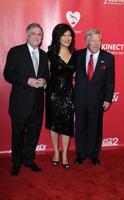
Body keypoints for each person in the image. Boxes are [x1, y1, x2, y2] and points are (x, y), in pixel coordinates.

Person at [3, 23, 49, 176]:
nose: (37, 37)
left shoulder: (44, 55)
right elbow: (8, 74)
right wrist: (26, 80)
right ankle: (16, 163)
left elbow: (47, 75)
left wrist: (44, 81)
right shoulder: (16, 52)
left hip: (37, 103)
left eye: (39, 34)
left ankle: (29, 160)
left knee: (33, 134)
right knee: (18, 135)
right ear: (27, 35)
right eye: (34, 34)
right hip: (20, 104)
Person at [74, 29, 115, 166]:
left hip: (97, 101)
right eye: (93, 40)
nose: (96, 43)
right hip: (79, 99)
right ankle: (80, 154)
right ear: (87, 41)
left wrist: (108, 99)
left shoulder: (108, 57)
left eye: (99, 40)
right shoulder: (78, 55)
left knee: (95, 128)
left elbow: (110, 81)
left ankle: (93, 155)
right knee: (80, 127)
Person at [45, 23, 75, 169]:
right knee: (54, 124)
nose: (67, 38)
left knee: (67, 124)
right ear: (58, 36)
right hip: (53, 94)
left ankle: (64, 154)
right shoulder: (49, 54)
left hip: (69, 94)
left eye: (70, 35)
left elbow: (77, 75)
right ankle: (56, 152)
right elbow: (44, 73)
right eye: (64, 35)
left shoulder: (76, 55)